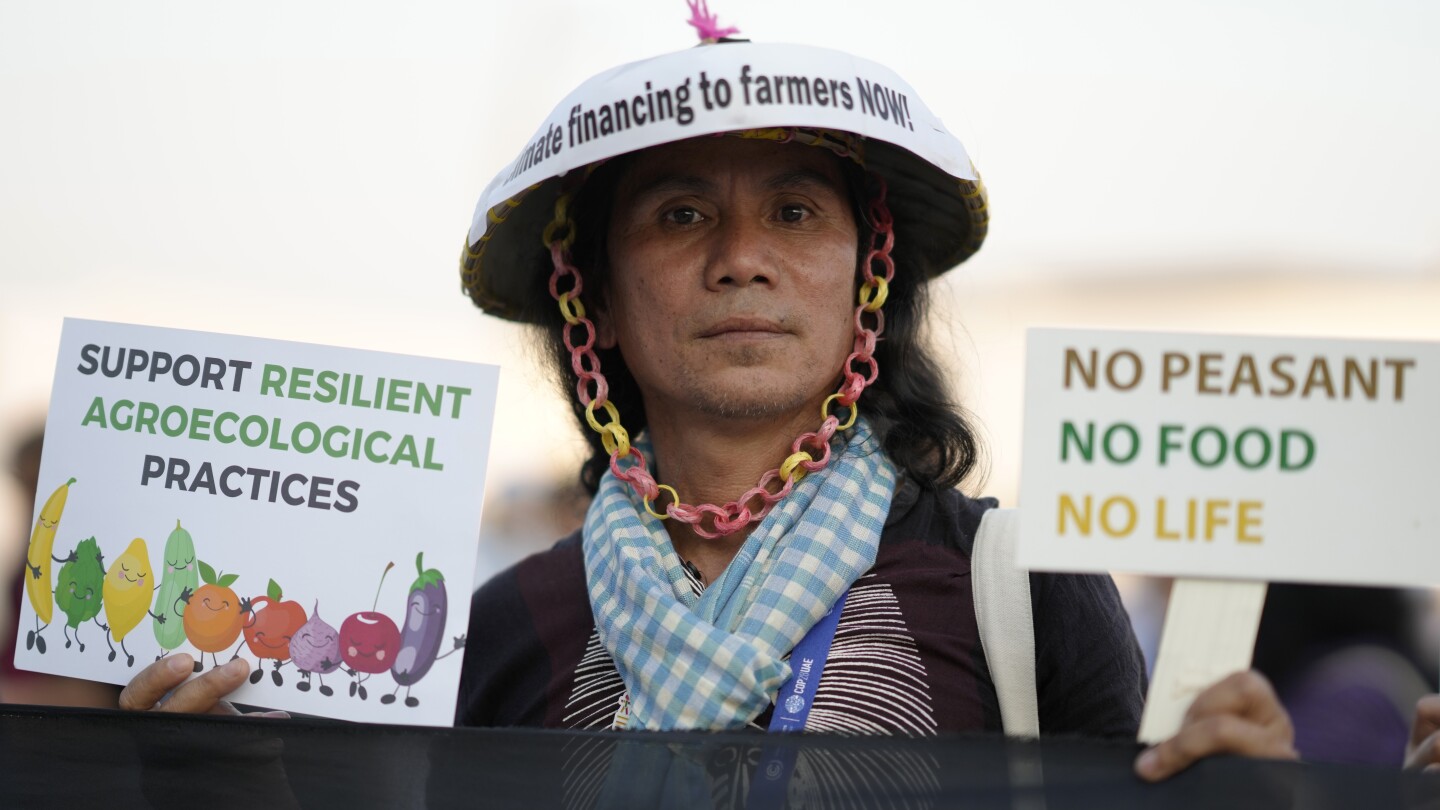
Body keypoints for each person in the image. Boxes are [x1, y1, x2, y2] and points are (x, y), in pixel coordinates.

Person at [118, 3, 1299, 784]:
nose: (743, 257)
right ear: (599, 301)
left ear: (864, 281)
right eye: (681, 215)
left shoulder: (1020, 592)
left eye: (795, 211)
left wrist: (1255, 788)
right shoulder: (502, 629)